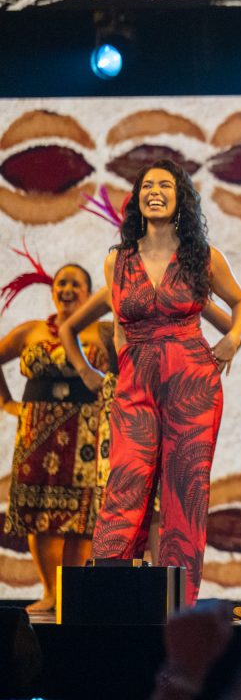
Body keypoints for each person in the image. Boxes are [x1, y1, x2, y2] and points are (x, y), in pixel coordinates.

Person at [59, 159, 241, 605]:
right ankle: (106, 597)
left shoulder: (202, 258)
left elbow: (240, 305)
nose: (156, 191)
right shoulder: (117, 260)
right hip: (136, 382)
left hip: (192, 381)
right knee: (126, 482)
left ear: (180, 197)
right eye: (148, 186)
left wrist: (233, 339)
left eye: (166, 185)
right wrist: (116, 366)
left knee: (185, 489)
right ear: (137, 198)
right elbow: (121, 325)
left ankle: (178, 604)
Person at [0, 259, 114, 613]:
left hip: (89, 433)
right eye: (61, 283)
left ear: (91, 292)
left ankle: (72, 596)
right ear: (52, 291)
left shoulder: (105, 332)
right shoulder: (30, 331)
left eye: (75, 284)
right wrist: (7, 403)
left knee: (81, 518)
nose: (66, 289)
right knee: (39, 513)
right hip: (38, 431)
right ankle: (50, 593)